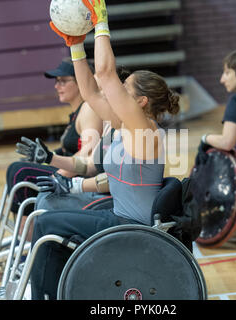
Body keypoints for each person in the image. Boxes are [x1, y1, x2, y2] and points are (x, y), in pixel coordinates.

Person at [28, 0, 181, 300]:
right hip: (117, 218)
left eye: (126, 88)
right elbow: (91, 92)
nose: (118, 89)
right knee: (49, 221)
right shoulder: (126, 126)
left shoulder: (145, 131)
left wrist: (101, 22)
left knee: (45, 221)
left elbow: (106, 75)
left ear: (141, 102)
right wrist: (74, 45)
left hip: (130, 228)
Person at [5, 58, 103, 217]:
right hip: (72, 169)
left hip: (79, 176)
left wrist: (58, 178)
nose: (57, 86)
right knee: (20, 167)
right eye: (57, 81)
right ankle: (22, 234)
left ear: (81, 82)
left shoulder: (88, 109)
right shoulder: (77, 113)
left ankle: (26, 237)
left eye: (63, 81)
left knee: (19, 171)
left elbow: (87, 154)